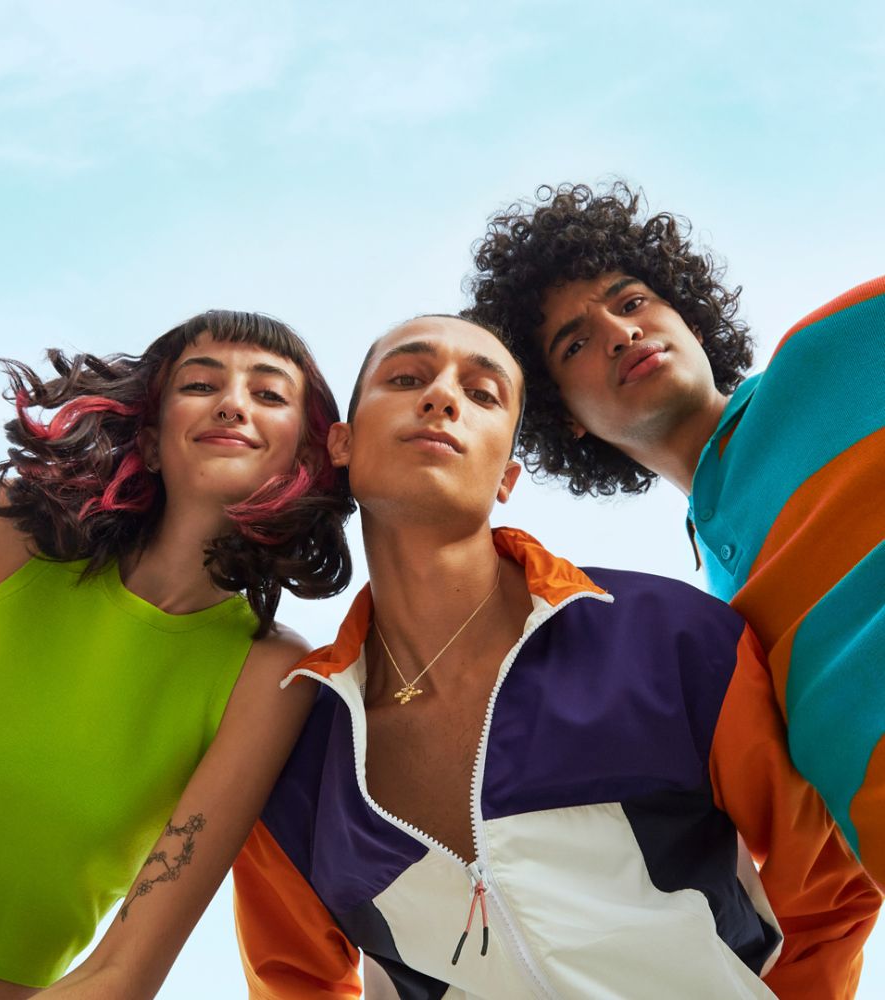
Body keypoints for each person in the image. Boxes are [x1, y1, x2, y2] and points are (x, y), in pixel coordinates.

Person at [231, 313, 879, 999]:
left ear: (507, 476)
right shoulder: (293, 757)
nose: (442, 397)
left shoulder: (670, 637)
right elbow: (294, 981)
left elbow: (825, 883)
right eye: (407, 378)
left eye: (482, 394)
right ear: (342, 442)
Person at [0, 309, 352, 999]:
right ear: (153, 442)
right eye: (201, 385)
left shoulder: (272, 675)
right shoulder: (15, 530)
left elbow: (123, 973)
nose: (232, 403)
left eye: (268, 394)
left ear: (304, 460)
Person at [466, 182, 885, 884]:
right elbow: (816, 863)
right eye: (576, 343)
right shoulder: (713, 623)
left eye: (632, 302)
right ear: (564, 416)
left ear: (686, 316)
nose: (621, 332)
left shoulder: (837, 345)